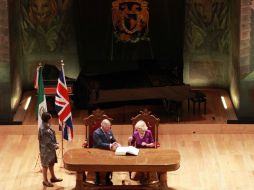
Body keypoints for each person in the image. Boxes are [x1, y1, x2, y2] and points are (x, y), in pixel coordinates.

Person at [93, 119, 121, 185]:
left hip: (108, 151)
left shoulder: (109, 131)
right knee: (97, 162)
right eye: (108, 128)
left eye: (109, 127)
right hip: (98, 151)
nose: (109, 129)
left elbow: (113, 139)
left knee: (111, 161)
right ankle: (97, 177)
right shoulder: (96, 133)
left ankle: (107, 177)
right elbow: (99, 144)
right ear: (103, 127)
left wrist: (116, 143)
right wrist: (110, 145)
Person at [38, 112, 62, 187]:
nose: (52, 119)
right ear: (48, 119)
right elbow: (47, 142)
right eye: (50, 118)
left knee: (51, 163)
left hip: (50, 150)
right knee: (45, 165)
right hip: (46, 150)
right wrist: (55, 146)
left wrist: (55, 143)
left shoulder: (47, 125)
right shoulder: (43, 129)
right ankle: (45, 181)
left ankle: (53, 177)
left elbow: (52, 136)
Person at [129, 120, 157, 184]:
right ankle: (143, 177)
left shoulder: (148, 132)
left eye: (139, 129)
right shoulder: (135, 133)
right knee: (141, 161)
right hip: (139, 151)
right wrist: (130, 141)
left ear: (143, 128)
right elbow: (132, 143)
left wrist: (147, 144)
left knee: (148, 161)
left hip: (148, 151)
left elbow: (153, 143)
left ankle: (150, 178)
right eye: (137, 129)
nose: (137, 130)